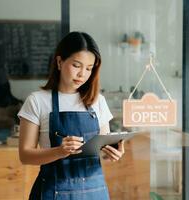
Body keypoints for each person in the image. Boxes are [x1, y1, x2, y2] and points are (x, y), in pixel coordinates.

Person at [18, 31, 125, 200]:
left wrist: (112, 152)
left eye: (89, 68)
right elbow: (25, 156)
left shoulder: (97, 101)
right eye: (76, 65)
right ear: (60, 62)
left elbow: (102, 148)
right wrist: (60, 151)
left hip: (94, 192)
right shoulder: (37, 101)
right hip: (53, 192)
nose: (82, 74)